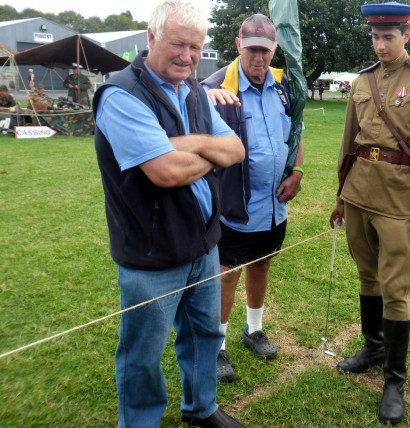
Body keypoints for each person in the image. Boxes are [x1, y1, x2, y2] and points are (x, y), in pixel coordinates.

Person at [93, 1, 246, 427]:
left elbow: (235, 149)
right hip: (151, 250)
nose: (187, 56)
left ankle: (202, 408)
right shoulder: (122, 94)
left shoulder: (195, 90)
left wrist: (189, 145)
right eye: (178, 43)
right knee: (143, 351)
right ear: (151, 37)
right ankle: (140, 422)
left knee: (206, 333)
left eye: (196, 47)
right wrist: (207, 150)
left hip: (203, 242)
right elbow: (164, 171)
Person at [328, 2, 410, 425]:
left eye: (389, 37)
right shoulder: (361, 81)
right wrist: (341, 196)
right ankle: (373, 346)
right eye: (376, 37)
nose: (381, 45)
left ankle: (394, 379)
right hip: (360, 191)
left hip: (399, 200)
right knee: (367, 275)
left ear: (407, 34)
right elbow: (348, 141)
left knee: (396, 289)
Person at [201, 13, 304, 384]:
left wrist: (297, 172)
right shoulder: (215, 88)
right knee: (227, 276)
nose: (259, 58)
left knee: (261, 266)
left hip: (275, 206)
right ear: (238, 46)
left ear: (273, 50)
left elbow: (297, 133)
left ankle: (253, 329)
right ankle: (216, 346)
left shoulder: (284, 86)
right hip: (234, 208)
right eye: (252, 50)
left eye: (265, 51)